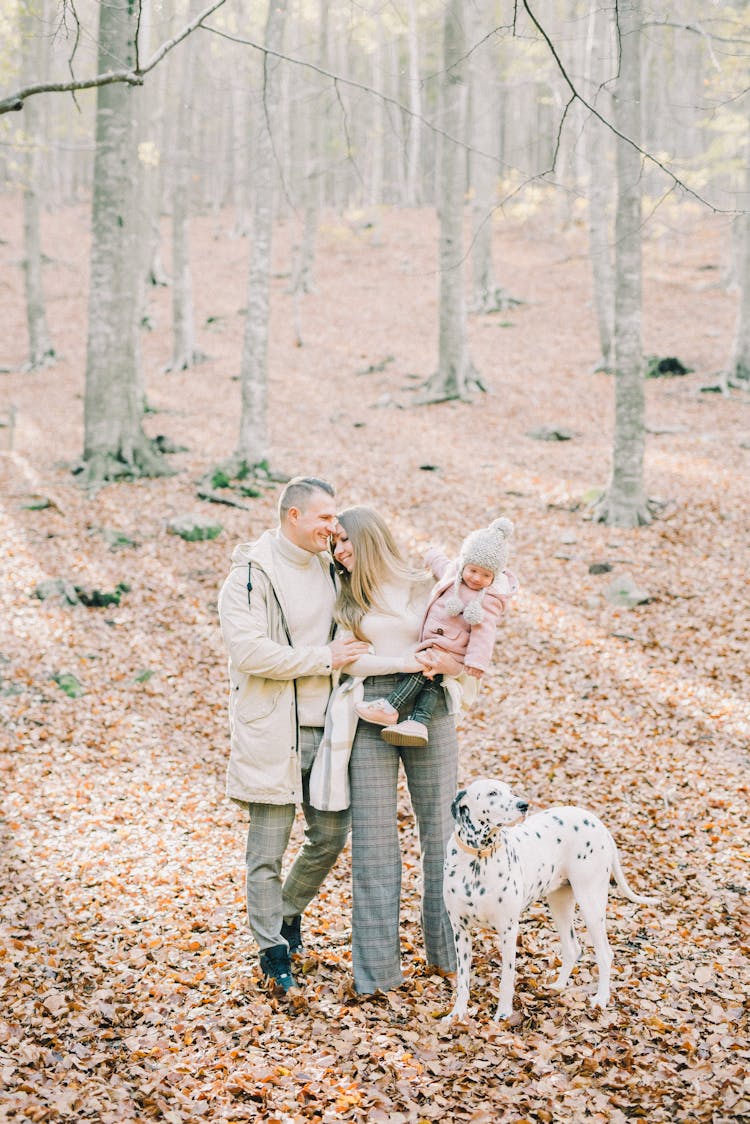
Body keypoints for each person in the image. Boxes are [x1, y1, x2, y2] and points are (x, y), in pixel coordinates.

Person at [217, 477, 368, 995]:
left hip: (330, 732)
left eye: (336, 517)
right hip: (272, 731)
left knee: (329, 836)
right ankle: (271, 950)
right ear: (293, 517)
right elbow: (250, 653)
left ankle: (285, 913)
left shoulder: (334, 568)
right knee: (266, 851)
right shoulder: (248, 579)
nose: (334, 526)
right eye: (325, 517)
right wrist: (322, 659)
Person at [332, 506, 471, 995]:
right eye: (334, 543)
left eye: (345, 540)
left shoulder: (422, 583)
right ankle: (377, 974)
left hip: (429, 705)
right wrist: (400, 659)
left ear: (370, 539)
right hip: (370, 706)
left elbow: (461, 638)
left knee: (442, 830)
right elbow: (350, 663)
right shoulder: (345, 596)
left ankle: (447, 954)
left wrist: (445, 663)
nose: (339, 550)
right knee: (373, 841)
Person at [355, 518, 518, 747]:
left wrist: (477, 662)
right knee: (432, 679)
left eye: (485, 575)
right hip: (436, 640)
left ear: (494, 577)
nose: (476, 579)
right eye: (473, 571)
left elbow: (485, 632)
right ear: (464, 564)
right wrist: (431, 554)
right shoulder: (454, 573)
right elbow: (442, 565)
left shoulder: (488, 600)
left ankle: (391, 707)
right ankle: (418, 722)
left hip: (452, 647)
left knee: (421, 670)